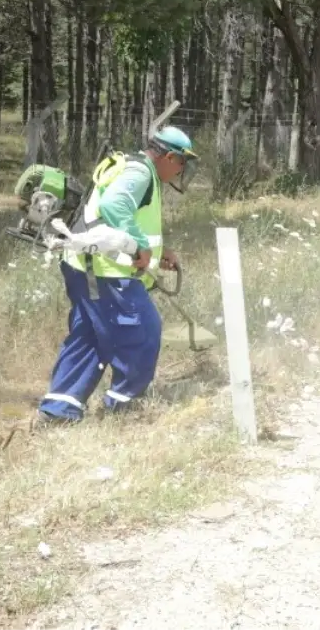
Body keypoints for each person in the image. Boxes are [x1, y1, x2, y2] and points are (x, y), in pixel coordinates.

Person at [36, 126, 199, 425]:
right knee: (142, 332)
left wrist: (158, 252)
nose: (181, 171)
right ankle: (124, 406)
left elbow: (126, 217)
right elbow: (114, 206)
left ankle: (59, 410)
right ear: (170, 157)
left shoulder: (137, 167)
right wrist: (138, 247)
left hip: (89, 266)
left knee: (92, 337)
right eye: (182, 163)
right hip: (103, 271)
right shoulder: (141, 173)